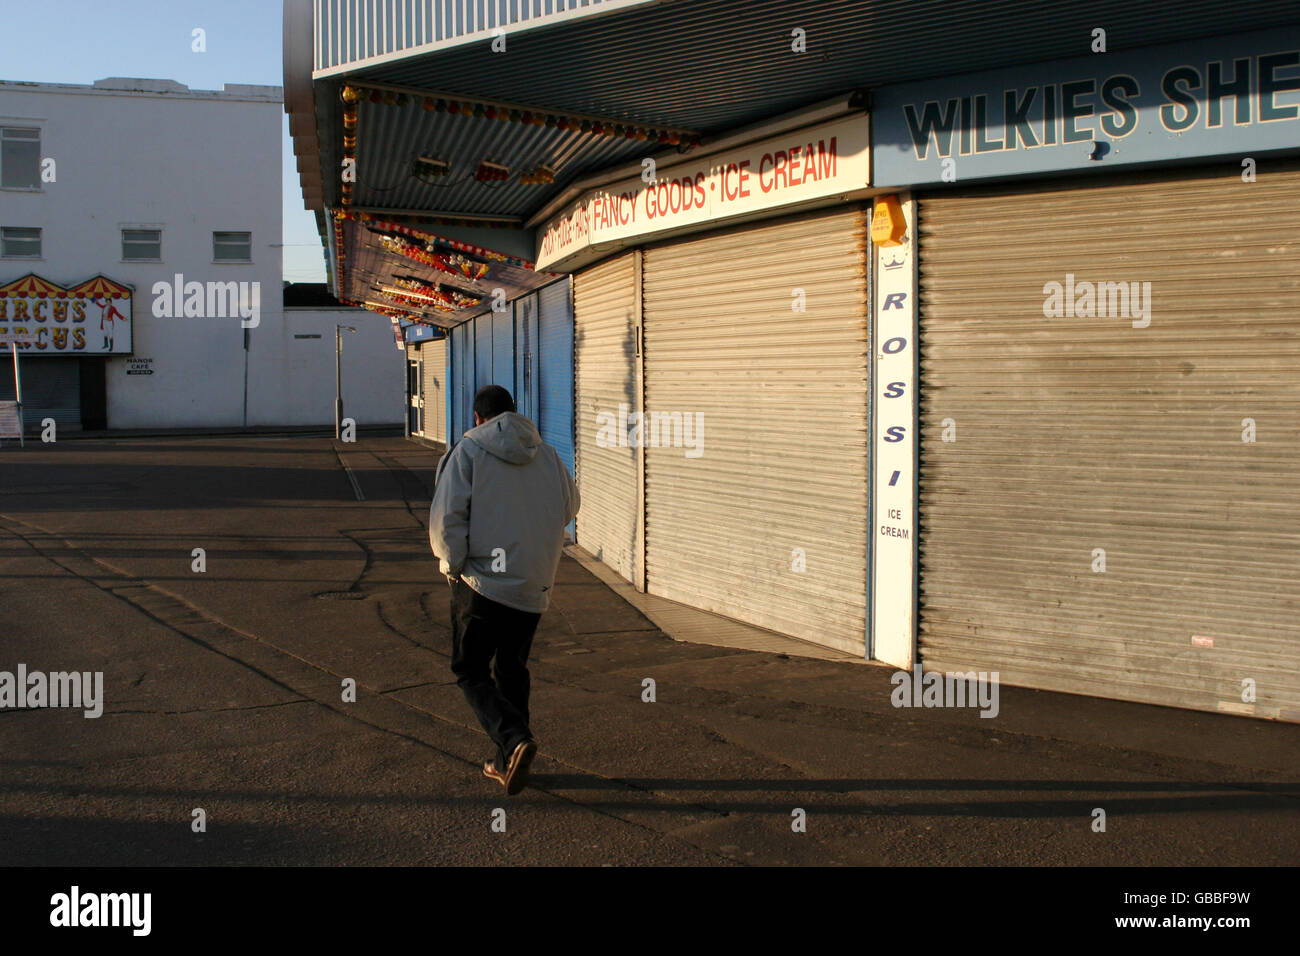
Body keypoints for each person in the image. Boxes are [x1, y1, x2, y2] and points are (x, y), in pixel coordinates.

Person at [429, 384, 579, 795]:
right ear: (514, 412)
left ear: (479, 418)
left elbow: (447, 519)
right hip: (532, 584)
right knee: (512, 668)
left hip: (481, 583)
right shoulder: (546, 454)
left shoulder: (468, 452)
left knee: (470, 670)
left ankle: (514, 741)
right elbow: (571, 507)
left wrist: (452, 566)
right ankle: (509, 757)